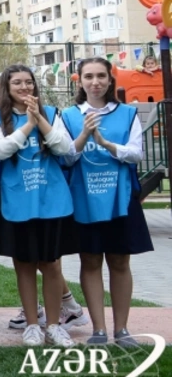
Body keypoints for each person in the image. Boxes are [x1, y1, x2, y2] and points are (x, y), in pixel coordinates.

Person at [60, 57, 153, 347]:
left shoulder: (126, 113)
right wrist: (86, 134)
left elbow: (137, 153)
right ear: (80, 80)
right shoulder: (69, 116)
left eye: (101, 75)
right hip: (84, 198)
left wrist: (107, 144)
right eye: (89, 76)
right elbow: (65, 157)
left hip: (120, 198)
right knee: (89, 260)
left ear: (111, 80)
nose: (96, 82)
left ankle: (122, 329)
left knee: (119, 260)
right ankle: (98, 330)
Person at [0, 63, 77, 347]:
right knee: (24, 265)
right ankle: (32, 325)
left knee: (51, 265)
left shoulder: (52, 114)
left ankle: (54, 325)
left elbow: (66, 149)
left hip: (50, 200)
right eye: (17, 83)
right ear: (7, 88)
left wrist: (41, 120)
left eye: (29, 82)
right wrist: (27, 124)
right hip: (16, 199)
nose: (24, 88)